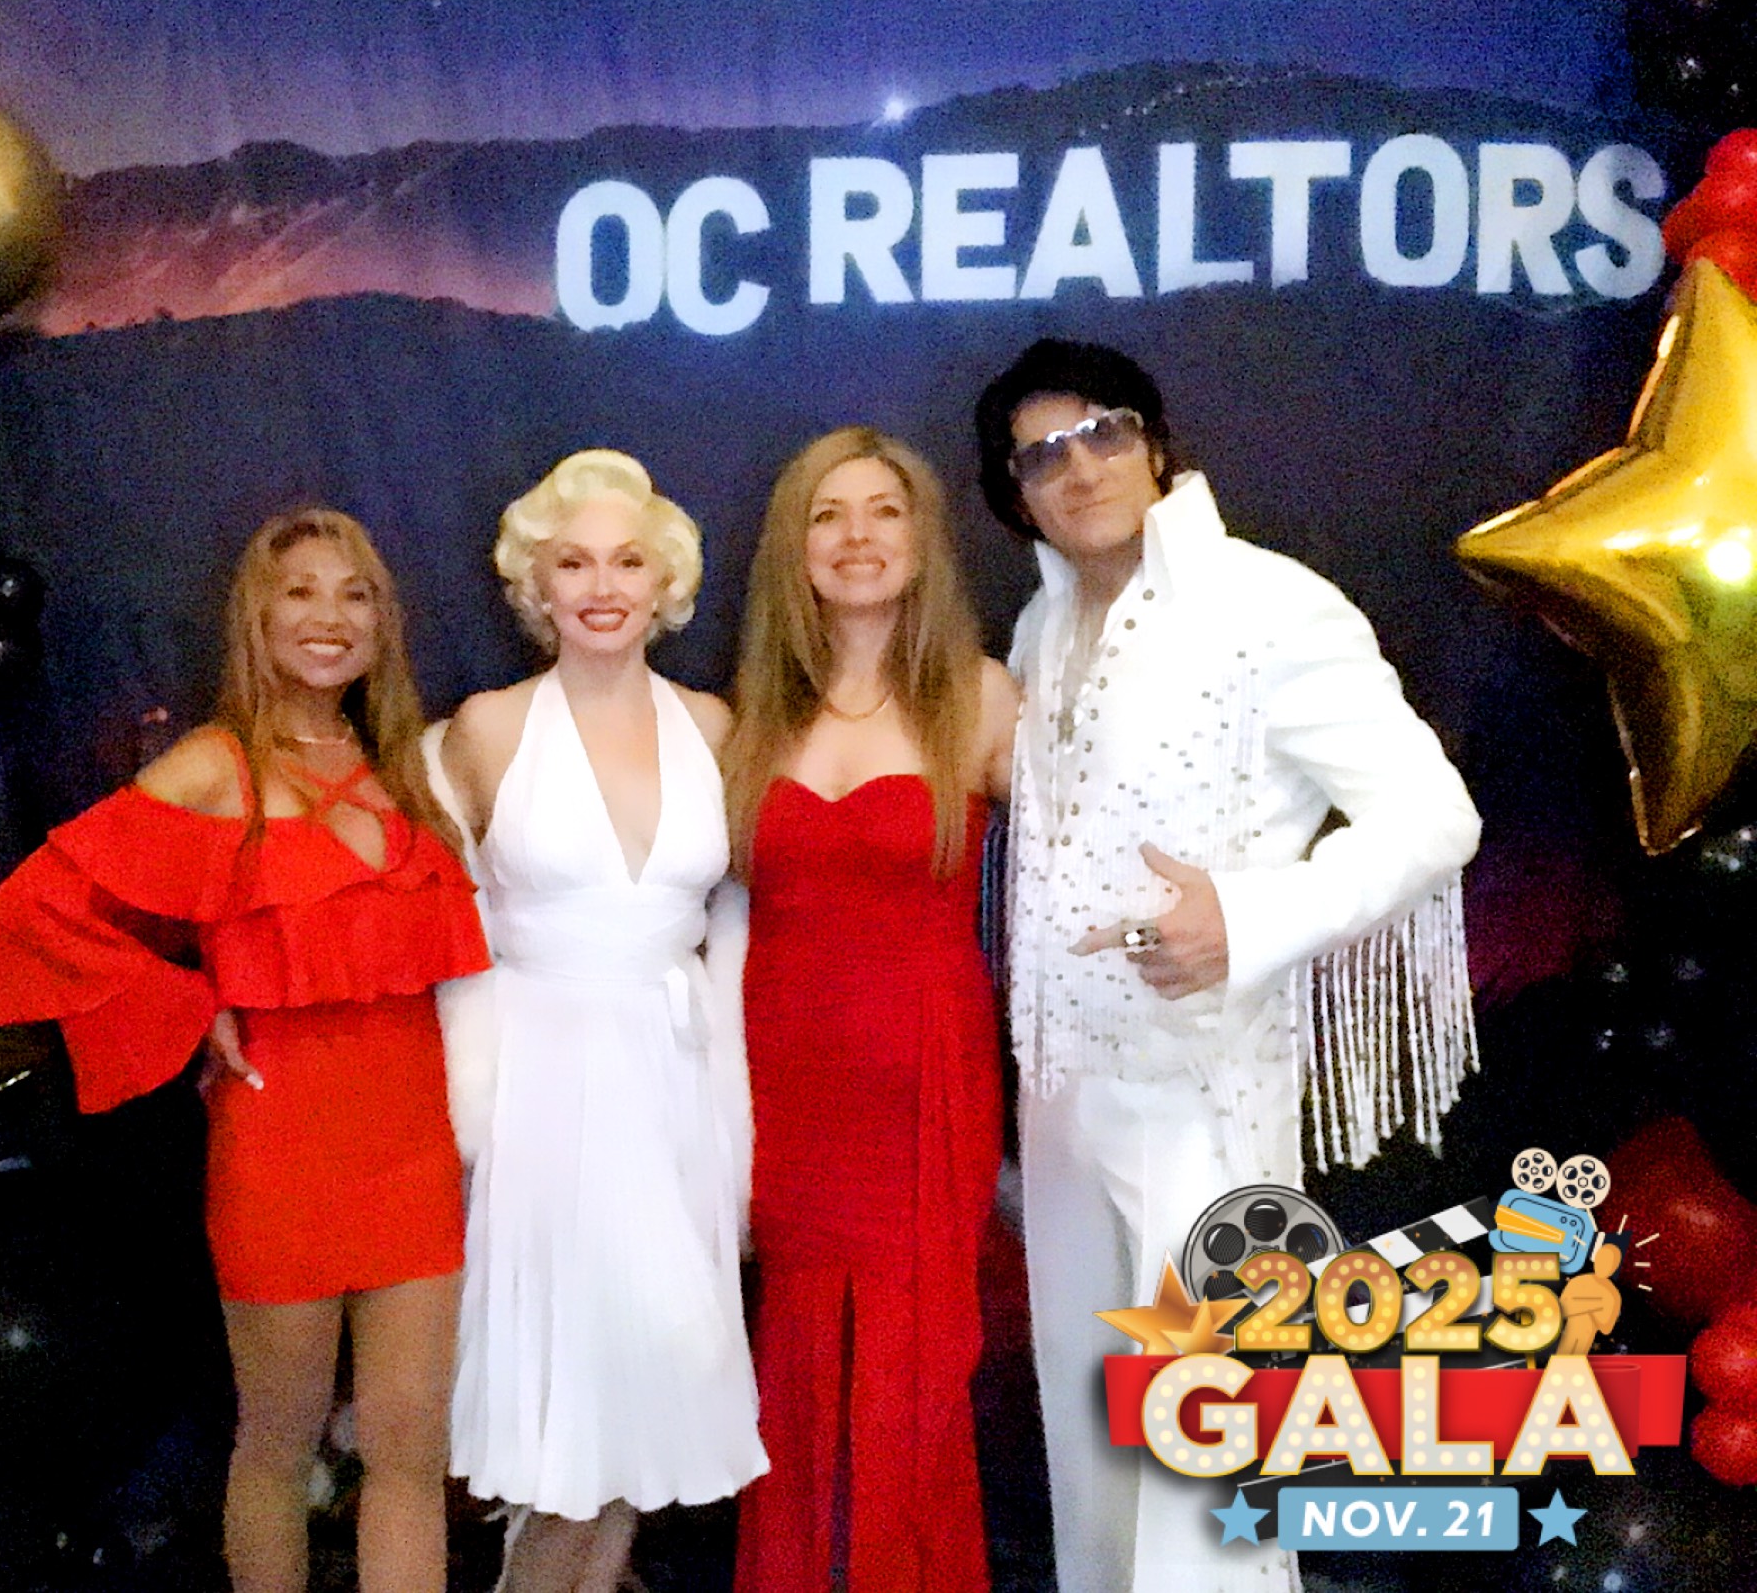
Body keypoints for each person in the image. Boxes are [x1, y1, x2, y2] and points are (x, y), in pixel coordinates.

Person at [975, 339, 1482, 1593]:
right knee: (1093, 1448)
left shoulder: (1270, 605)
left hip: (1202, 1090)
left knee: (1205, 1462)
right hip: (1063, 1096)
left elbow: (1434, 817)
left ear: (1154, 445)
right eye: (1041, 457)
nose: (1079, 469)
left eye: (1102, 432)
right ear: (1017, 497)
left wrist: (1246, 920)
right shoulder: (1041, 626)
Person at [0, 510, 488, 1593]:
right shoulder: (217, 766)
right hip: (278, 1149)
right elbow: (36, 911)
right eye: (300, 591)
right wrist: (182, 1003)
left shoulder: (404, 768)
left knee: (410, 1451)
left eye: (354, 594)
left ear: (382, 624)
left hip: (412, 1149)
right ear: (256, 617)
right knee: (279, 1444)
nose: (328, 616)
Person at [438, 450, 766, 1593]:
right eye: (572, 563)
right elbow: (440, 930)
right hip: (543, 1095)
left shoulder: (715, 726)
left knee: (648, 1399)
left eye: (627, 561)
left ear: (665, 581)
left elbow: (738, 926)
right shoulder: (485, 729)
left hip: (676, 1086)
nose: (601, 586)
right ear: (536, 583)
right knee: (570, 1419)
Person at [723, 427, 1019, 1592]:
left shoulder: (980, 700)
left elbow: (1096, 869)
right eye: (828, 514)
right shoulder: (749, 719)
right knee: (793, 1373)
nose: (857, 537)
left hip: (922, 1090)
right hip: (786, 1092)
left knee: (912, 1383)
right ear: (792, 549)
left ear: (923, 539)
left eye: (885, 511)